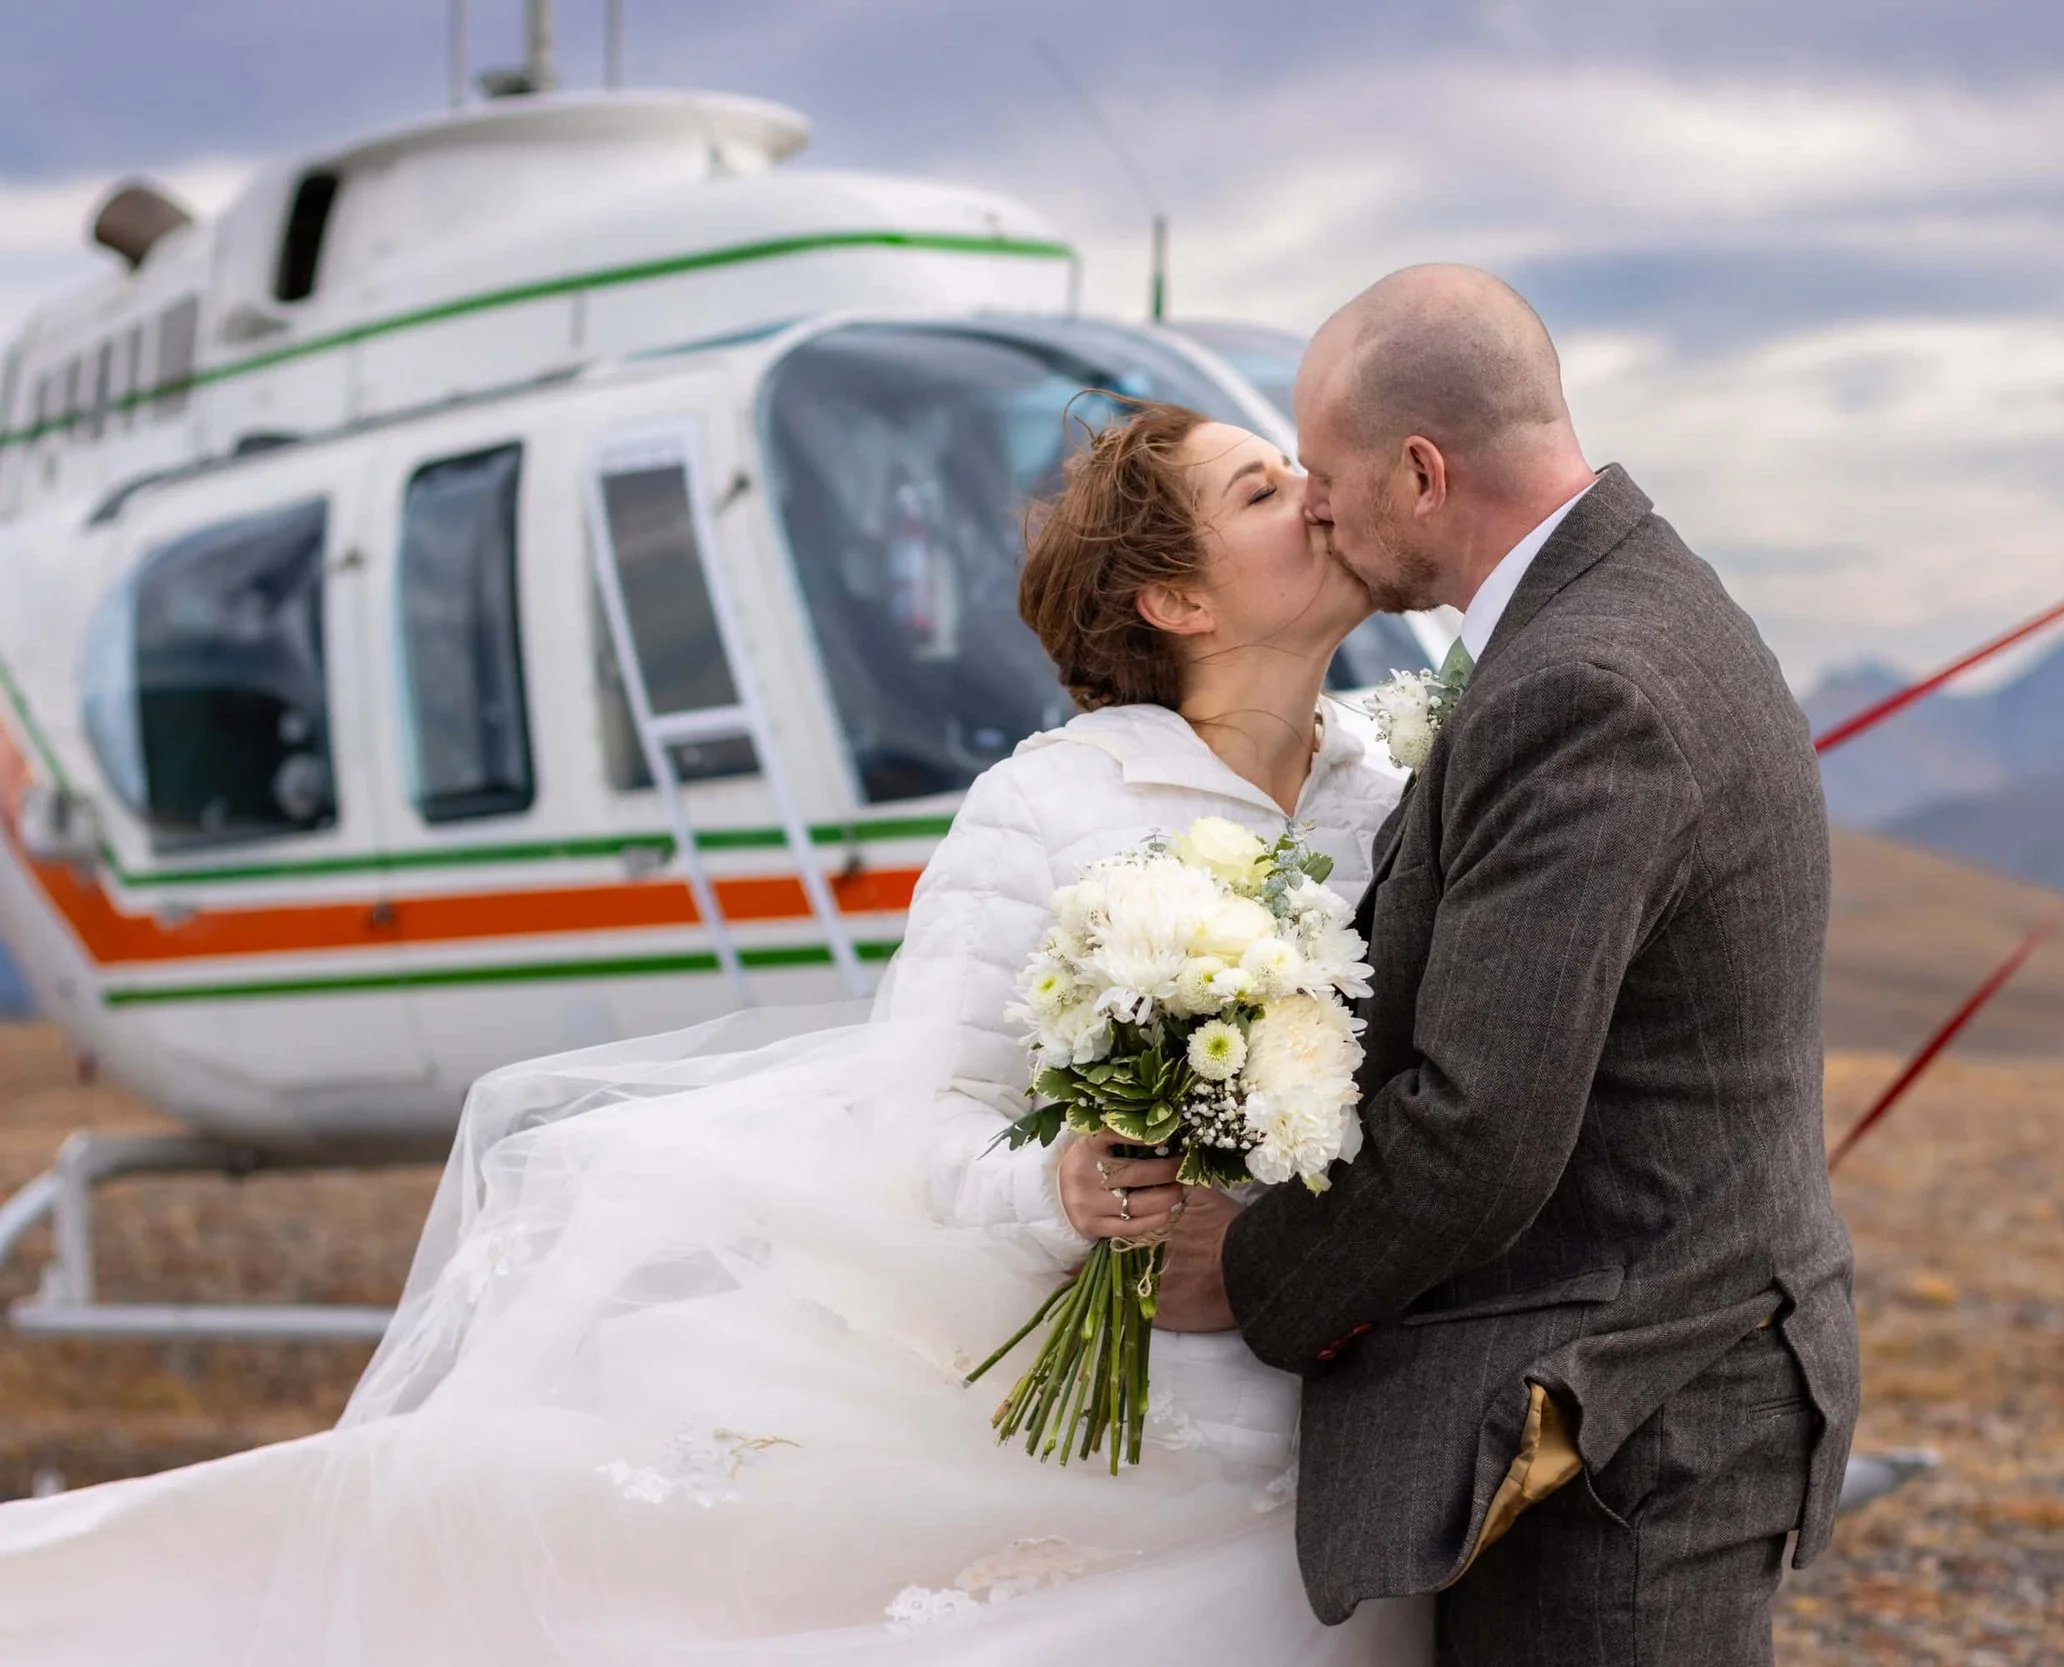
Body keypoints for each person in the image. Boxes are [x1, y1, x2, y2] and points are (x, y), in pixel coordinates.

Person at [0, 404, 1431, 1664]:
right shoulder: (1045, 806)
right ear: (1178, 596)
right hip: (1128, 1412)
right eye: (1263, 488)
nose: (1316, 493)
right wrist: (1056, 1190)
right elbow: (919, 1110)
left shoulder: (1396, 792)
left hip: (1341, 1402)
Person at [1151, 265, 1861, 1665]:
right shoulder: (1624, 599)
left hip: (1635, 1423)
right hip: (1663, 1366)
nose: (1317, 505)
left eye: (1326, 470)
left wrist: (1247, 1263)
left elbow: (1484, 1124)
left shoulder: (1582, 681)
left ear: (1420, 471)